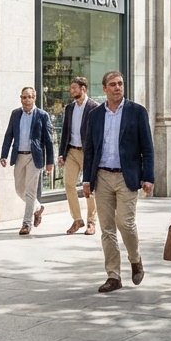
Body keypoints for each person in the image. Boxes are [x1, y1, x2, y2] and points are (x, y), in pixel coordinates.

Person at [82, 71, 155, 293]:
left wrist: (148, 176)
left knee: (125, 223)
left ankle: (135, 259)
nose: (117, 88)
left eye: (120, 84)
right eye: (112, 84)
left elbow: (147, 148)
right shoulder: (95, 115)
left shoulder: (137, 112)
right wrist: (87, 179)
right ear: (104, 88)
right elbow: (90, 150)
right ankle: (113, 276)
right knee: (107, 229)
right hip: (102, 176)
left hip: (127, 176)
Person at [1, 87, 55, 235]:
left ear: (34, 98)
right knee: (19, 190)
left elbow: (49, 140)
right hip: (19, 155)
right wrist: (3, 155)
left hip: (34, 157)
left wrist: (50, 161)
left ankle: (26, 224)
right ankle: (37, 208)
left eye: (29, 97)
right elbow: (8, 135)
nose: (27, 100)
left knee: (30, 191)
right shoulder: (16, 114)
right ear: (21, 99)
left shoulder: (42, 115)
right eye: (24, 97)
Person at [57, 77, 99, 234]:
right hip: (72, 151)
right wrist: (62, 153)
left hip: (87, 152)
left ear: (83, 89)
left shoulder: (94, 107)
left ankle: (91, 222)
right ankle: (77, 219)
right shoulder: (69, 108)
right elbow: (65, 132)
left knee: (89, 187)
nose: (71, 90)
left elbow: (98, 134)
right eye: (71, 88)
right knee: (68, 184)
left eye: (74, 88)